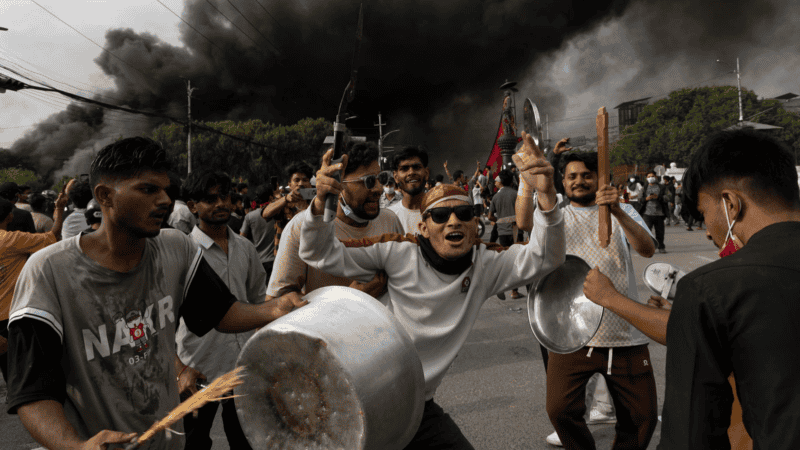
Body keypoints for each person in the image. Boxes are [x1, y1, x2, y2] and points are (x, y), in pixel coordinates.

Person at [4, 137, 306, 450]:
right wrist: (74, 446)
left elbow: (221, 311)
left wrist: (276, 309)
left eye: (166, 190)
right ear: (105, 196)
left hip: (168, 441)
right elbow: (33, 391)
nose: (164, 200)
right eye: (148, 189)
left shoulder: (175, 247)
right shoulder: (49, 271)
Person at [300, 131, 565, 449]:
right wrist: (320, 203)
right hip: (360, 395)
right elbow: (320, 254)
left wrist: (546, 193)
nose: (453, 221)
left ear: (475, 225)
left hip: (417, 406)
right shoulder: (397, 252)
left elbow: (546, 256)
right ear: (423, 227)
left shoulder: (486, 262)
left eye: (464, 214)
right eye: (441, 215)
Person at [583, 129, 800, 449]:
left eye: (703, 214)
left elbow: (690, 434)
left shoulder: (712, 287)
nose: (710, 233)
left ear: (730, 203)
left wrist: (611, 298)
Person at [516, 149, 658, 450]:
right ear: (563, 182)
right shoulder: (557, 217)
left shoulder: (623, 212)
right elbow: (525, 223)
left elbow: (647, 249)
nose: (579, 181)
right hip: (571, 334)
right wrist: (527, 183)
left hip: (624, 332)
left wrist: (617, 210)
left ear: (598, 178)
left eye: (586, 175)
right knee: (560, 410)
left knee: (642, 417)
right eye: (572, 177)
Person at [176, 170, 266, 450]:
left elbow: (258, 304)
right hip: (198, 369)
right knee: (194, 442)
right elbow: (164, 319)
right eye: (210, 199)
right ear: (193, 206)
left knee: (247, 440)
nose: (220, 204)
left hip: (243, 367)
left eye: (225, 196)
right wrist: (180, 370)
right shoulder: (183, 253)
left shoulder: (246, 249)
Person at [267, 141, 404, 302]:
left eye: (380, 178)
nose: (378, 189)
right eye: (368, 181)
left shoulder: (390, 221)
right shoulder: (301, 227)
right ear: (337, 185)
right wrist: (348, 300)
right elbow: (276, 303)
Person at [0, 189, 68, 384]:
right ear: (10, 216)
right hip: (11, 317)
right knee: (21, 369)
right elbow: (53, 236)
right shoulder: (11, 240)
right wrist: (60, 209)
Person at [261, 161, 313, 256]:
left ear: (309, 183)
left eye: (305, 180)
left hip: (311, 255)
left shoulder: (315, 203)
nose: (301, 184)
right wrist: (285, 199)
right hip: (286, 257)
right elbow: (265, 214)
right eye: (296, 180)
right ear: (290, 183)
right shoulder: (282, 202)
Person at [488, 170, 521, 299]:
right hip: (516, 231)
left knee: (506, 261)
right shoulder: (516, 194)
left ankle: (501, 285)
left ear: (500, 181)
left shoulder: (496, 197)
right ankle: (514, 291)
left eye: (496, 180)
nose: (495, 182)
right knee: (517, 261)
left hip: (502, 232)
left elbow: (490, 216)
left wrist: (500, 221)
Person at [388, 146, 430, 234]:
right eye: (404, 169)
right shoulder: (388, 217)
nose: (411, 172)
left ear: (426, 173)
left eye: (416, 167)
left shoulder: (441, 213)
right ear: (396, 177)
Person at [241, 184, 277, 285]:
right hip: (275, 260)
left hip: (258, 261)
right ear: (271, 197)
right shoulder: (278, 213)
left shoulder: (250, 216)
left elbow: (241, 238)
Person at [640, 172, 668, 253]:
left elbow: (669, 197)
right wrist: (646, 198)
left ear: (656, 177)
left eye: (652, 176)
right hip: (647, 214)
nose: (651, 177)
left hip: (659, 214)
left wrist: (658, 197)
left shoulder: (662, 187)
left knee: (660, 232)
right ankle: (648, 248)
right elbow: (639, 198)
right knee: (647, 232)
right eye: (649, 176)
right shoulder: (644, 188)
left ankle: (661, 247)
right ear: (646, 178)